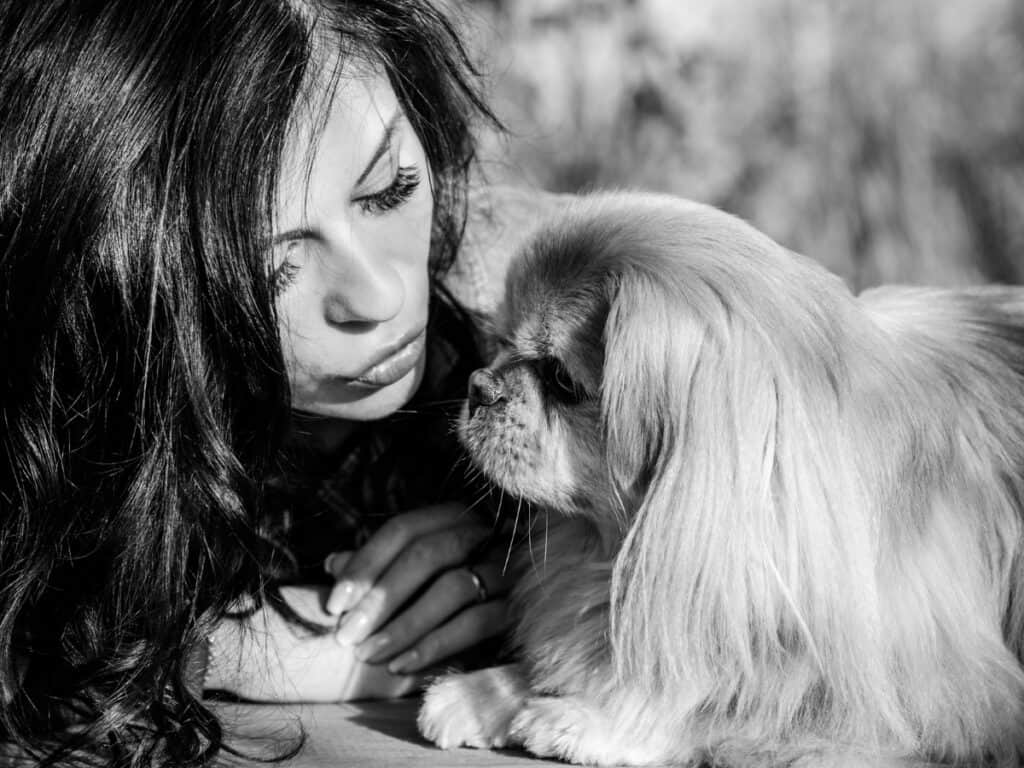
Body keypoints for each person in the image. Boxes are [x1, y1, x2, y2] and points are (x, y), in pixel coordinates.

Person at [0, 0, 550, 765]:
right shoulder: (51, 408)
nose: (380, 296)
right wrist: (229, 646)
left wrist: (545, 571)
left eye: (389, 189)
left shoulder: (541, 299)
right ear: (116, 293)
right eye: (275, 267)